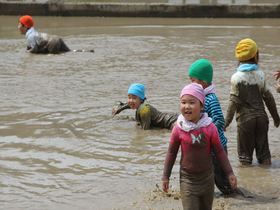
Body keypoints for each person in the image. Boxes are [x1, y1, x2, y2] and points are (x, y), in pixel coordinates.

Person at [162, 83, 237, 210]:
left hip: (207, 179)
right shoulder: (179, 128)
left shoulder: (209, 127)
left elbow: (219, 151)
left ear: (202, 105)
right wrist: (165, 176)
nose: (187, 106)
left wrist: (229, 173)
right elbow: (171, 153)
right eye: (183, 102)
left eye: (192, 102)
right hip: (188, 180)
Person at [225, 38, 280, 165]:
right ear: (256, 56)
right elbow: (269, 98)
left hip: (245, 121)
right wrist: (276, 118)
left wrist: (225, 123)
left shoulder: (236, 78)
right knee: (264, 155)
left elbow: (233, 103)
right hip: (261, 119)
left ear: (238, 58)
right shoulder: (260, 74)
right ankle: (267, 178)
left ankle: (248, 181)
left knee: (245, 159)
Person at [188, 58, 234, 195]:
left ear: (203, 82)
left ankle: (232, 193)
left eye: (193, 81)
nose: (191, 84)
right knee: (207, 173)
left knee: (221, 179)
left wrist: (208, 131)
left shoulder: (210, 99)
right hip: (207, 146)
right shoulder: (201, 97)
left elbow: (219, 120)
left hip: (216, 146)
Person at [112, 83, 178, 130]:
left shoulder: (144, 109)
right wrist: (120, 108)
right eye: (129, 97)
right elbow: (130, 104)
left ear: (141, 100)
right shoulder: (141, 106)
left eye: (134, 98)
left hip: (172, 122)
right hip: (173, 118)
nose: (131, 100)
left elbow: (145, 131)